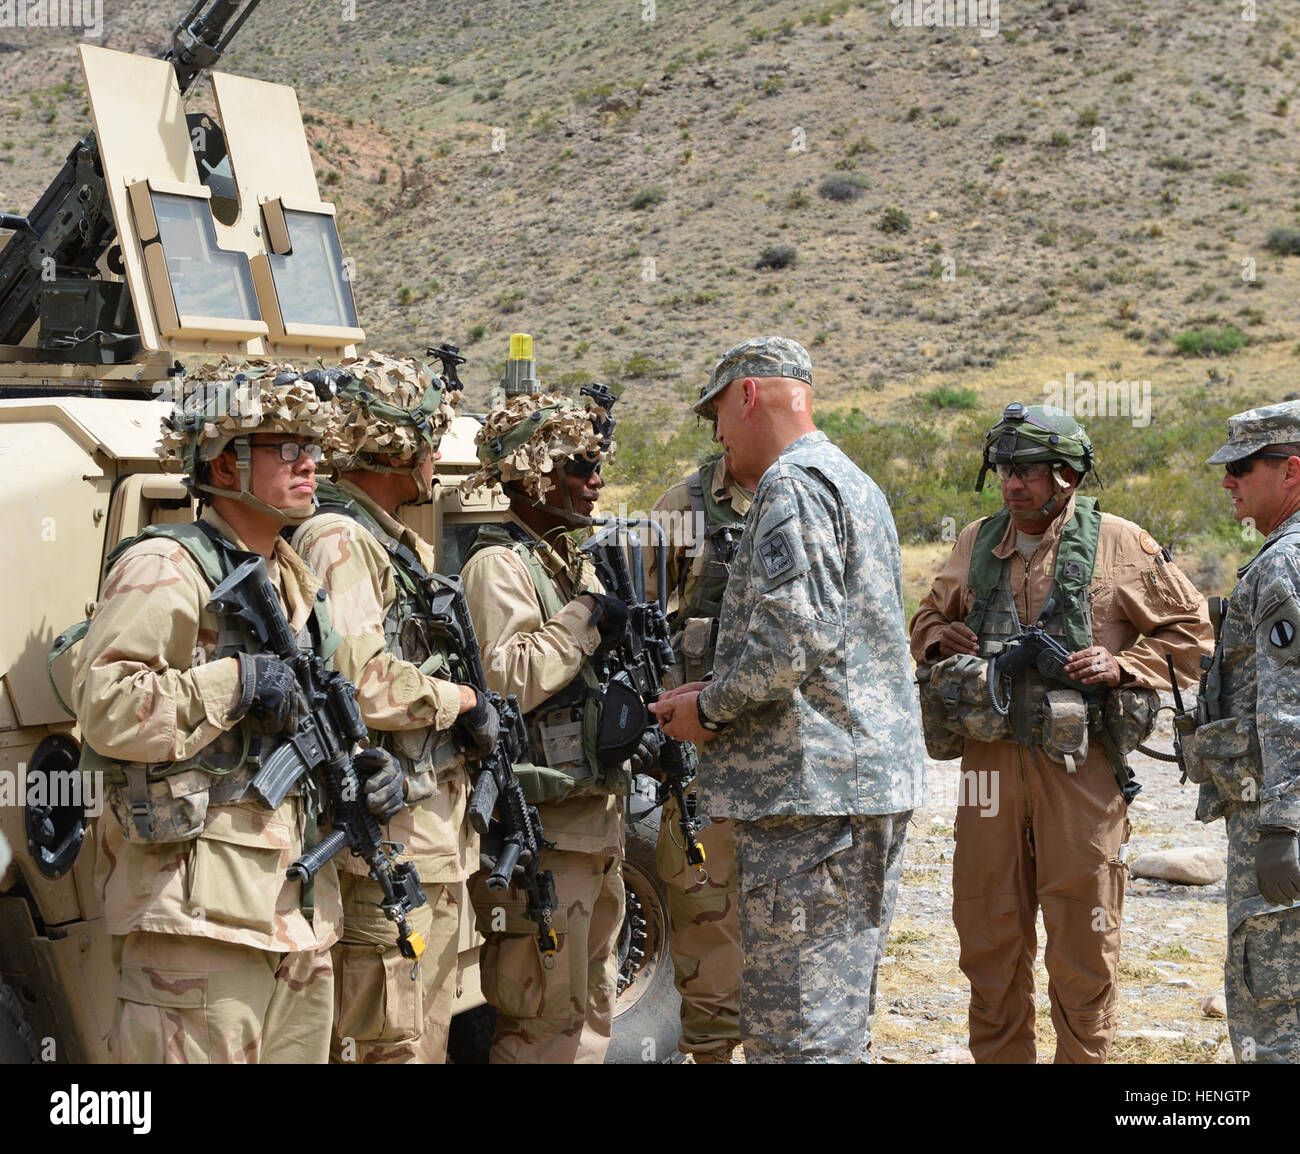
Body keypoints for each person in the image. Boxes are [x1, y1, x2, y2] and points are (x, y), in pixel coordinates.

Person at [72, 362, 403, 1064]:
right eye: (288, 448)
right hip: (198, 930)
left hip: (300, 924)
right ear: (225, 463)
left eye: (314, 449)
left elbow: (336, 705)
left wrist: (370, 768)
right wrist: (236, 681)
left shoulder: (294, 580)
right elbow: (105, 707)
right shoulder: (167, 566)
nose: (311, 463)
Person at [909, 402, 1211, 1064]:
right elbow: (926, 621)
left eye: (1031, 472)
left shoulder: (1123, 544)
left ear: (1067, 476)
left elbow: (1193, 636)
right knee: (987, 935)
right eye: (1006, 471)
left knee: (1082, 942)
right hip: (988, 764)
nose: (1014, 485)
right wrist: (942, 638)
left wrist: (1122, 664)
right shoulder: (976, 541)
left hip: (1081, 770)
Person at [652, 336, 926, 1064]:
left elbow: (788, 638)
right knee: (835, 1023)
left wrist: (707, 711)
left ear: (747, 396)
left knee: (792, 1031)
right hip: (860, 788)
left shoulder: (791, 483)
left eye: (717, 414)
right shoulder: (854, 482)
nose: (716, 436)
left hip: (808, 797)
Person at [292, 353, 495, 1063]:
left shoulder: (378, 538)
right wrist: (460, 699)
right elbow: (363, 680)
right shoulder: (340, 538)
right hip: (386, 837)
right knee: (392, 1044)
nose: (437, 458)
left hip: (421, 832)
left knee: (422, 1033)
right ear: (395, 445)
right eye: (429, 440)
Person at [457, 389, 650, 1063]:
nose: (595, 481)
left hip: (591, 824)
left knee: (590, 1007)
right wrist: (586, 619)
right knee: (543, 1018)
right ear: (535, 474)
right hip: (544, 835)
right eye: (578, 466)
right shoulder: (499, 564)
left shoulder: (563, 561)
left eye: (597, 464)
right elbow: (506, 676)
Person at [1182, 402, 1300, 1063]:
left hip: (1276, 812)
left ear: (1291, 471)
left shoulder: (1283, 565)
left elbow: (1291, 701)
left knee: (1272, 1010)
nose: (1228, 481)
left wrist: (1282, 826)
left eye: (1242, 467)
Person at [646, 452, 755, 1064]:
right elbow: (639, 618)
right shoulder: (686, 506)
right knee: (703, 906)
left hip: (796, 764)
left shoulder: (813, 496)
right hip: (700, 755)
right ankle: (711, 1051)